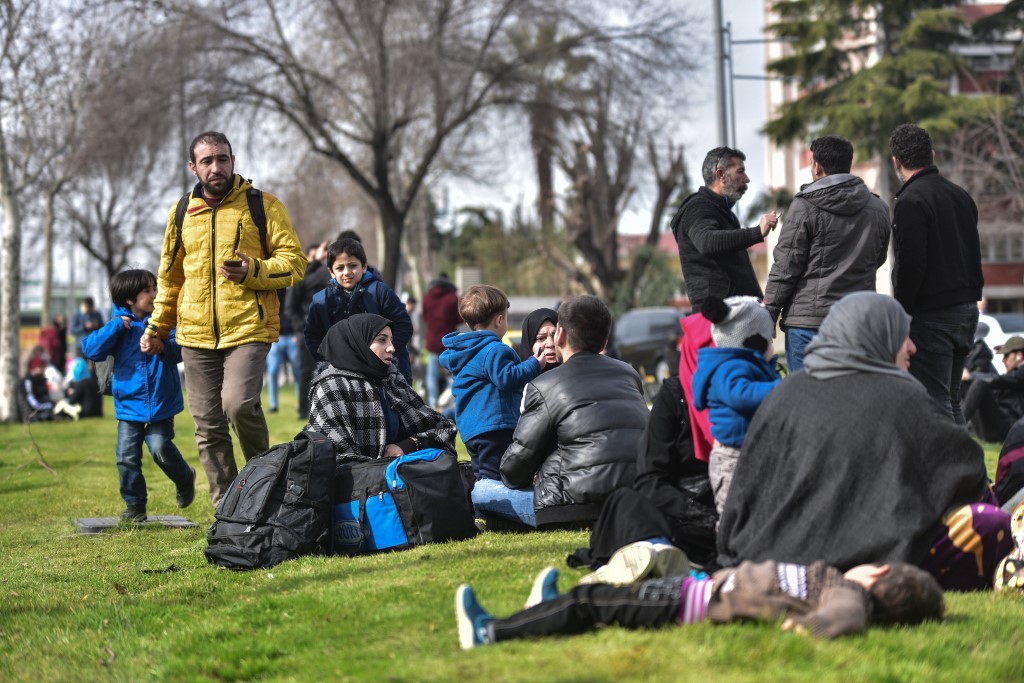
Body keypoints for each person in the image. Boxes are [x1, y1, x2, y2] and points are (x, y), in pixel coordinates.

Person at [718, 292, 1011, 591]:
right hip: (871, 559)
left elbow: (745, 494)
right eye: (902, 337)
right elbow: (967, 468)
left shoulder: (784, 391)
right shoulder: (900, 394)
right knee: (990, 523)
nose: (912, 347)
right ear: (876, 338)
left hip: (770, 556)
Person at [142, 131, 306, 505]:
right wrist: (156, 327)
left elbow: (295, 263)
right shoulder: (182, 211)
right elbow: (170, 278)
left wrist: (253, 269)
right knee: (208, 425)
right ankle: (228, 506)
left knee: (238, 404)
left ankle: (267, 488)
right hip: (194, 334)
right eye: (207, 161)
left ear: (233, 160)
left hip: (248, 326)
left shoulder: (263, 205)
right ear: (193, 167)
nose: (216, 167)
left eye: (223, 159)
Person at [455, 553, 944, 649]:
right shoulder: (834, 582)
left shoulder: (847, 592)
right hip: (694, 589)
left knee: (591, 604)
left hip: (685, 605)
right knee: (603, 597)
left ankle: (490, 631)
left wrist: (811, 630)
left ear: (877, 572)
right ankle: (550, 608)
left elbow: (847, 617)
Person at [669, 146, 780, 464]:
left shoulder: (719, 209)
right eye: (739, 171)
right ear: (720, 174)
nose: (746, 178)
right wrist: (756, 233)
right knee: (726, 406)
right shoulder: (699, 209)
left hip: (734, 324)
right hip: (718, 327)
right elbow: (707, 242)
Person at [500, 295, 648, 527]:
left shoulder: (545, 385)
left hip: (572, 506)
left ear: (560, 335)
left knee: (482, 490)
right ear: (604, 340)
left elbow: (513, 469)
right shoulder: (629, 374)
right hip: (637, 498)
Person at [763, 135, 891, 371]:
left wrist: (770, 312)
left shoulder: (804, 206)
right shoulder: (878, 207)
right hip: (858, 318)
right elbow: (878, 258)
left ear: (817, 167)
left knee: (807, 400)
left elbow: (786, 266)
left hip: (809, 323)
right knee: (853, 397)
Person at [83, 269, 196, 522]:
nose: (155, 294)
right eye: (147, 291)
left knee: (159, 447)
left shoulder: (164, 320)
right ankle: (134, 506)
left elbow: (181, 349)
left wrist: (162, 346)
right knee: (126, 457)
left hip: (161, 399)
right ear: (129, 300)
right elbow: (90, 350)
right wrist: (114, 327)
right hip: (129, 403)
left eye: (155, 288)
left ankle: (185, 477)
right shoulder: (118, 326)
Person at [889, 123, 982, 424]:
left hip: (932, 315)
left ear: (896, 162)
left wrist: (901, 314)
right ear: (931, 154)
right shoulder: (960, 195)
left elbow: (911, 264)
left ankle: (955, 470)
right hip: (966, 310)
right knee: (951, 400)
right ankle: (968, 470)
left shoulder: (910, 201)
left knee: (936, 402)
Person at [439, 286, 545, 524]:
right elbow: (508, 378)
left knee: (483, 474)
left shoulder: (464, 351)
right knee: (498, 476)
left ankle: (484, 515)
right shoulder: (494, 349)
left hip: (471, 429)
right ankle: (490, 516)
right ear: (499, 320)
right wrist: (535, 363)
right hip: (495, 425)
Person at [304, 314, 456, 458]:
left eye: (391, 340)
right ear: (359, 343)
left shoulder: (391, 381)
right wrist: (382, 470)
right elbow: (336, 458)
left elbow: (443, 428)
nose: (391, 348)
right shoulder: (331, 387)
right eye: (382, 340)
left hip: (402, 480)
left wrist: (409, 445)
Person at [691, 296, 780, 516]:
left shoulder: (746, 364)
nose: (772, 344)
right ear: (750, 341)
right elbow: (742, 395)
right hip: (731, 458)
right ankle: (730, 550)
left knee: (758, 511)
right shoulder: (729, 368)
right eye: (768, 339)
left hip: (749, 452)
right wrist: (780, 389)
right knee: (734, 514)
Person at [304, 237, 414, 383]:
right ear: (331, 271)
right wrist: (329, 361)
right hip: (340, 374)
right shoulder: (321, 301)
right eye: (340, 268)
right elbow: (313, 335)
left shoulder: (380, 292)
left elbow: (403, 325)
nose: (347, 272)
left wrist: (387, 353)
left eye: (352, 265)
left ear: (364, 266)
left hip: (387, 371)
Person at [962, 336, 1024, 443]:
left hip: (1008, 430)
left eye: (1006, 355)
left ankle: (956, 425)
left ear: (1019, 356)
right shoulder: (1013, 375)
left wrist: (971, 375)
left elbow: (999, 380)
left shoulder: (1019, 375)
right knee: (965, 383)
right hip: (993, 428)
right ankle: (955, 424)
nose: (1003, 360)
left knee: (979, 384)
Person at [421, 273, 461, 408]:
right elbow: (459, 318)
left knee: (431, 375)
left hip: (432, 342)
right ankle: (454, 403)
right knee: (451, 374)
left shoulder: (427, 298)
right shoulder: (453, 298)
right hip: (449, 342)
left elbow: (425, 318)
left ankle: (433, 403)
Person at [265, 287, 302, 414]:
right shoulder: (273, 291)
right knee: (272, 371)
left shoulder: (295, 290)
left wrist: (298, 334)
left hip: (293, 337)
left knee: (298, 373)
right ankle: (273, 405)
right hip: (276, 338)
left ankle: (301, 404)